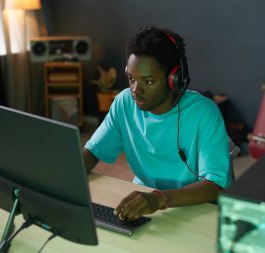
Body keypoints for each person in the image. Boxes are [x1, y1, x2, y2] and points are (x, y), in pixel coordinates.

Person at [83, 25, 230, 221]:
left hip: (195, 207)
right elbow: (92, 152)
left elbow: (215, 185)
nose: (136, 90)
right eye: (131, 78)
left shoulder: (204, 113)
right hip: (144, 201)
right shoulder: (124, 103)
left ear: (174, 79)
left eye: (148, 81)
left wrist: (160, 199)